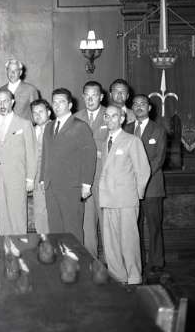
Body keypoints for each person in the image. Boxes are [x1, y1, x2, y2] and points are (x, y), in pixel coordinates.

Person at [99, 104, 150, 285]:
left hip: (126, 200)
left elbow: (143, 170)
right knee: (111, 243)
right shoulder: (105, 142)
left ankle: (134, 278)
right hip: (108, 199)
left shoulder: (132, 140)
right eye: (107, 116)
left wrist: (137, 195)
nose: (110, 119)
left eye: (114, 116)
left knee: (129, 242)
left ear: (122, 119)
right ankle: (117, 277)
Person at [39, 88, 96, 243]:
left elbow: (89, 156)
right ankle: (59, 258)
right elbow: (45, 154)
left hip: (71, 187)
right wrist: (43, 179)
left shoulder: (80, 126)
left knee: (73, 229)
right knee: (55, 228)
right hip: (51, 186)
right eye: (54, 102)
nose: (57, 105)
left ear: (70, 105)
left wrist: (87, 184)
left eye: (61, 102)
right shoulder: (49, 126)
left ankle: (76, 258)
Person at [125, 94, 167, 278]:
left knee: (154, 225)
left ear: (149, 108)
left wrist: (140, 177)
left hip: (151, 187)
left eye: (143, 104)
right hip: (129, 187)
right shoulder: (126, 129)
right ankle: (138, 261)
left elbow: (159, 159)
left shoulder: (158, 130)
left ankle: (156, 262)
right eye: (135, 104)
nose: (139, 107)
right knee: (134, 227)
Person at [0, 89, 36, 235]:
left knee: (18, 218)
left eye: (5, 101)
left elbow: (31, 153)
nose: (2, 105)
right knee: (2, 219)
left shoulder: (24, 124)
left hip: (16, 178)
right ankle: (6, 248)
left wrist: (30, 178)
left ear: (12, 102)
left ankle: (20, 248)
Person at [75, 81, 108, 260]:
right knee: (87, 226)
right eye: (87, 95)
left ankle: (113, 267)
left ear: (101, 97)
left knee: (107, 226)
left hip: (104, 179)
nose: (90, 99)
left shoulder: (110, 115)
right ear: (82, 97)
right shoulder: (76, 118)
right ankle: (91, 263)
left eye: (94, 95)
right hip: (83, 180)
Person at [30, 98, 52, 234]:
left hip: (53, 179)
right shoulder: (31, 131)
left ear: (48, 112)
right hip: (36, 179)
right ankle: (43, 241)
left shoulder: (56, 128)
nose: (37, 115)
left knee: (53, 214)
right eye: (34, 113)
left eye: (41, 112)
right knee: (39, 213)